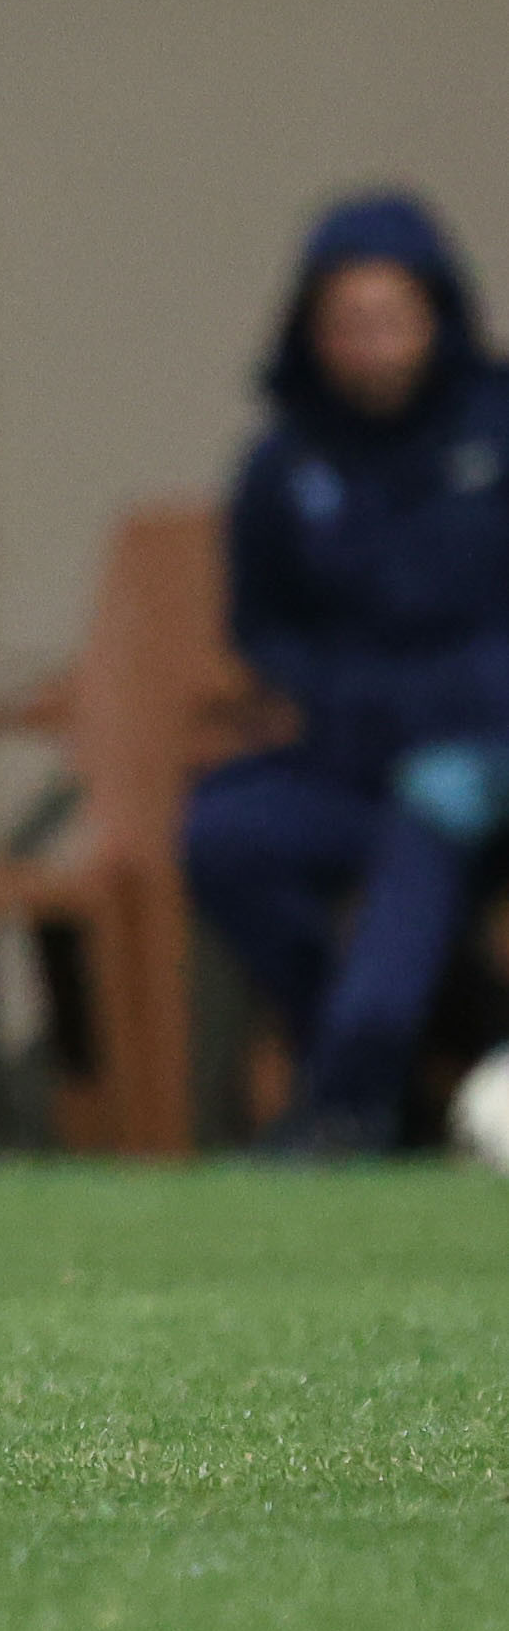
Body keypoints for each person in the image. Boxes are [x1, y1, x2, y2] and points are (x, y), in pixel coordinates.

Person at [180, 192, 509, 1156]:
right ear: (313, 330)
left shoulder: (497, 432)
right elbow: (262, 625)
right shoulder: (283, 463)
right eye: (348, 322)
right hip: (351, 753)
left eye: (391, 317)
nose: (372, 343)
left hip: (483, 758)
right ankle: (384, 1065)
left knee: (424, 829)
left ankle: (347, 1105)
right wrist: (334, 700)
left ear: (436, 315)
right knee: (226, 832)